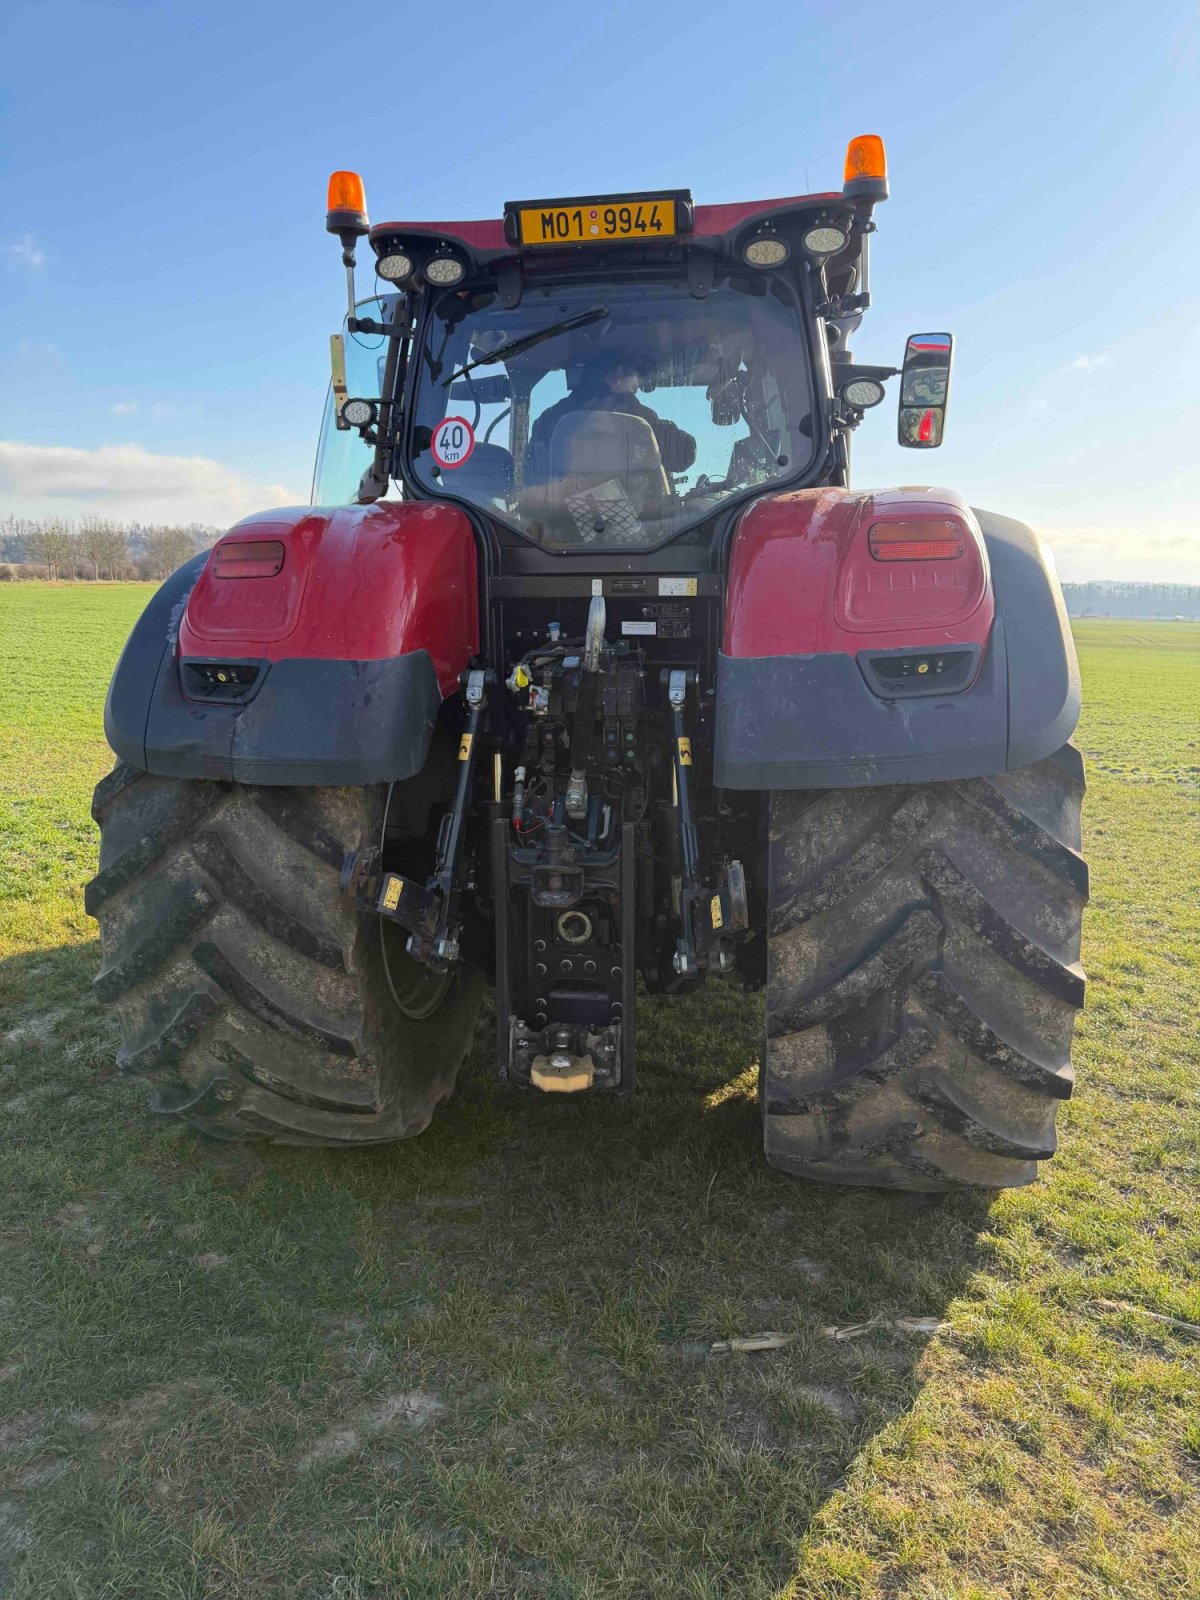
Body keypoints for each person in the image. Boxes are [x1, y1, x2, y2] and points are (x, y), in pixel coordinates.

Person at [527, 349, 697, 480]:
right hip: (634, 512)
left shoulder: (549, 419)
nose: (636, 387)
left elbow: (532, 476)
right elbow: (683, 454)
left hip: (560, 511)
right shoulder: (640, 420)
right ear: (620, 374)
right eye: (636, 379)